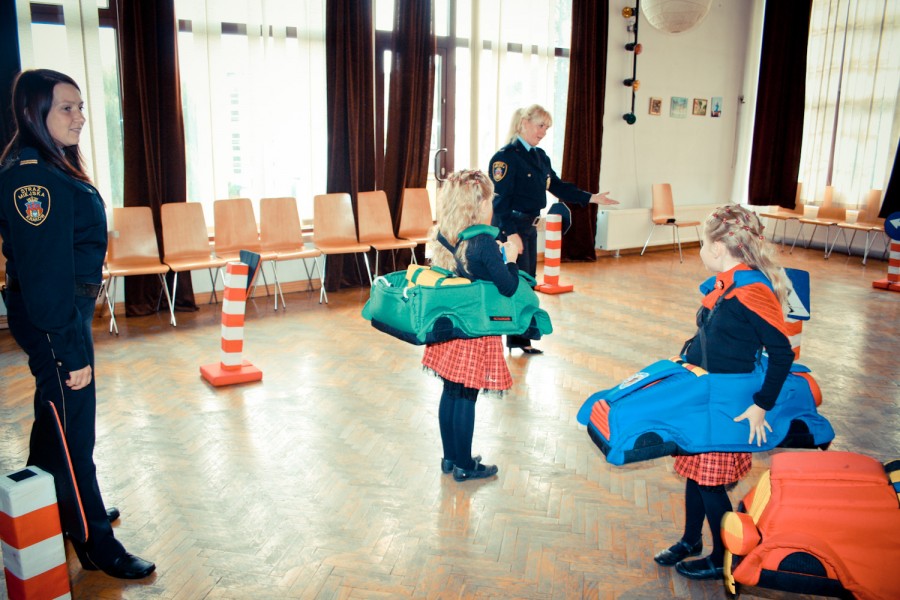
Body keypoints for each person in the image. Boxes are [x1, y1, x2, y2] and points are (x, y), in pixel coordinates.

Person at [0, 69, 155, 579]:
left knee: (56, 422)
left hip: (61, 315)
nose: (80, 117)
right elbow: (45, 277)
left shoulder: (49, 164)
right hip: (55, 321)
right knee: (74, 436)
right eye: (67, 107)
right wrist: (69, 352)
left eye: (81, 106)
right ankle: (95, 542)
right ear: (34, 112)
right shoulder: (33, 178)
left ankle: (54, 505)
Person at [653, 205, 795, 581]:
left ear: (718, 248)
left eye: (702, 243)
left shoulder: (751, 291)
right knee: (694, 471)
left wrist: (761, 406)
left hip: (729, 405)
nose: (701, 249)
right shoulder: (727, 284)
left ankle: (723, 557)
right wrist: (685, 359)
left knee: (710, 483)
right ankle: (690, 540)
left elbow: (782, 354)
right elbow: (713, 334)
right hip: (707, 394)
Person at [489, 104, 619, 354]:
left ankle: (521, 339)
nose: (543, 132)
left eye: (546, 128)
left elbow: (557, 186)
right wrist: (511, 233)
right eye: (540, 126)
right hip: (510, 229)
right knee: (509, 284)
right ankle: (495, 339)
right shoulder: (506, 158)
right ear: (524, 123)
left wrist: (591, 197)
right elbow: (500, 202)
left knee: (526, 283)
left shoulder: (540, 157)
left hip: (527, 228)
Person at [422, 170, 521, 482]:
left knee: (450, 390)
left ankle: (451, 458)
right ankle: (465, 465)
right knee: (466, 394)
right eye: (490, 200)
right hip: (474, 330)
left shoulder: (443, 233)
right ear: (477, 205)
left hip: (449, 327)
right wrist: (511, 258)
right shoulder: (483, 242)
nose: (493, 206)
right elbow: (508, 287)